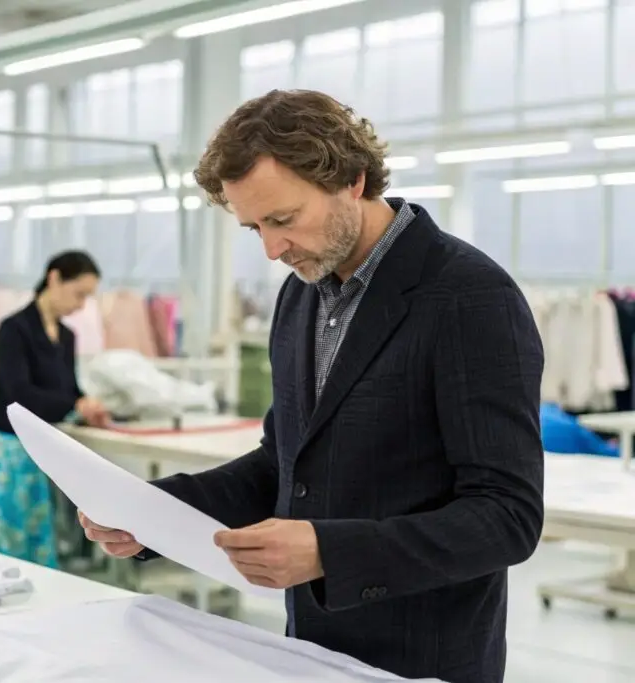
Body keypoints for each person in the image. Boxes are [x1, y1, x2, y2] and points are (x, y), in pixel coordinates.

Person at [79, 90, 545, 683]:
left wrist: (328, 552)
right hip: (310, 650)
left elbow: (507, 516)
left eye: (282, 220)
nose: (272, 250)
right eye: (254, 228)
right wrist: (151, 512)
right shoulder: (301, 295)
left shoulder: (469, 296)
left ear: (352, 180)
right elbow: (283, 465)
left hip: (421, 659)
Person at [0, 250, 109, 568]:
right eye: (79, 294)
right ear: (54, 279)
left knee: (34, 545)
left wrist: (86, 404)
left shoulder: (66, 336)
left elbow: (69, 388)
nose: (81, 305)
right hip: (8, 451)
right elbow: (18, 394)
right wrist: (74, 404)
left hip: (42, 448)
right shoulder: (14, 329)